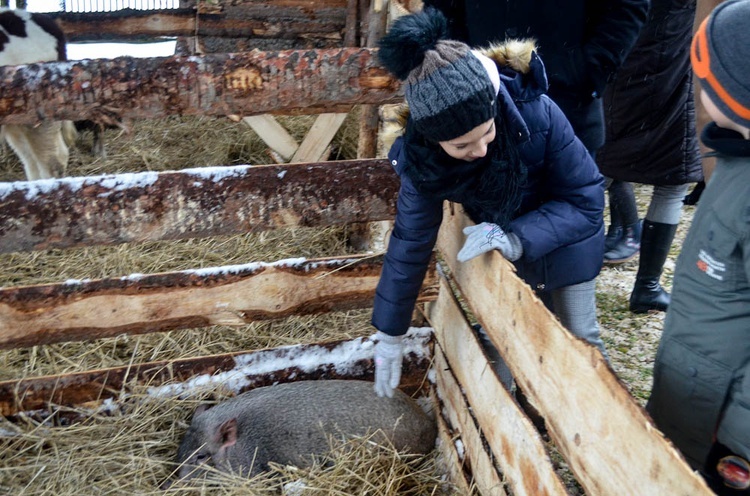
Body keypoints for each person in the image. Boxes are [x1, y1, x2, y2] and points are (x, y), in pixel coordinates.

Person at [370, 8, 606, 398]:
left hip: (568, 242)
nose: (479, 150)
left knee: (579, 335)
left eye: (487, 132)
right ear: (434, 140)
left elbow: (585, 201)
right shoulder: (423, 163)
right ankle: (523, 420)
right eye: (461, 145)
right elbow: (410, 242)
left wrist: (515, 237)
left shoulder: (538, 113)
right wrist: (390, 332)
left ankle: (601, 425)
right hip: (502, 247)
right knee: (503, 337)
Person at [421, 0, 649, 266]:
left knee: (566, 247)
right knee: (489, 244)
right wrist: (457, 68)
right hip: (477, 104)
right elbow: (440, 9)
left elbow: (627, 7)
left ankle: (562, 306)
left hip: (567, 99)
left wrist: (591, 70)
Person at [645, 1, 750, 494]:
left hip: (729, 430)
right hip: (701, 393)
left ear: (727, 92)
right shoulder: (737, 164)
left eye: (700, 76)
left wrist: (736, 431)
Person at [597, 0, 704, 312]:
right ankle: (647, 286)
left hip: (622, 68)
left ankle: (569, 277)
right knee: (669, 184)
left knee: (595, 174)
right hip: (668, 72)